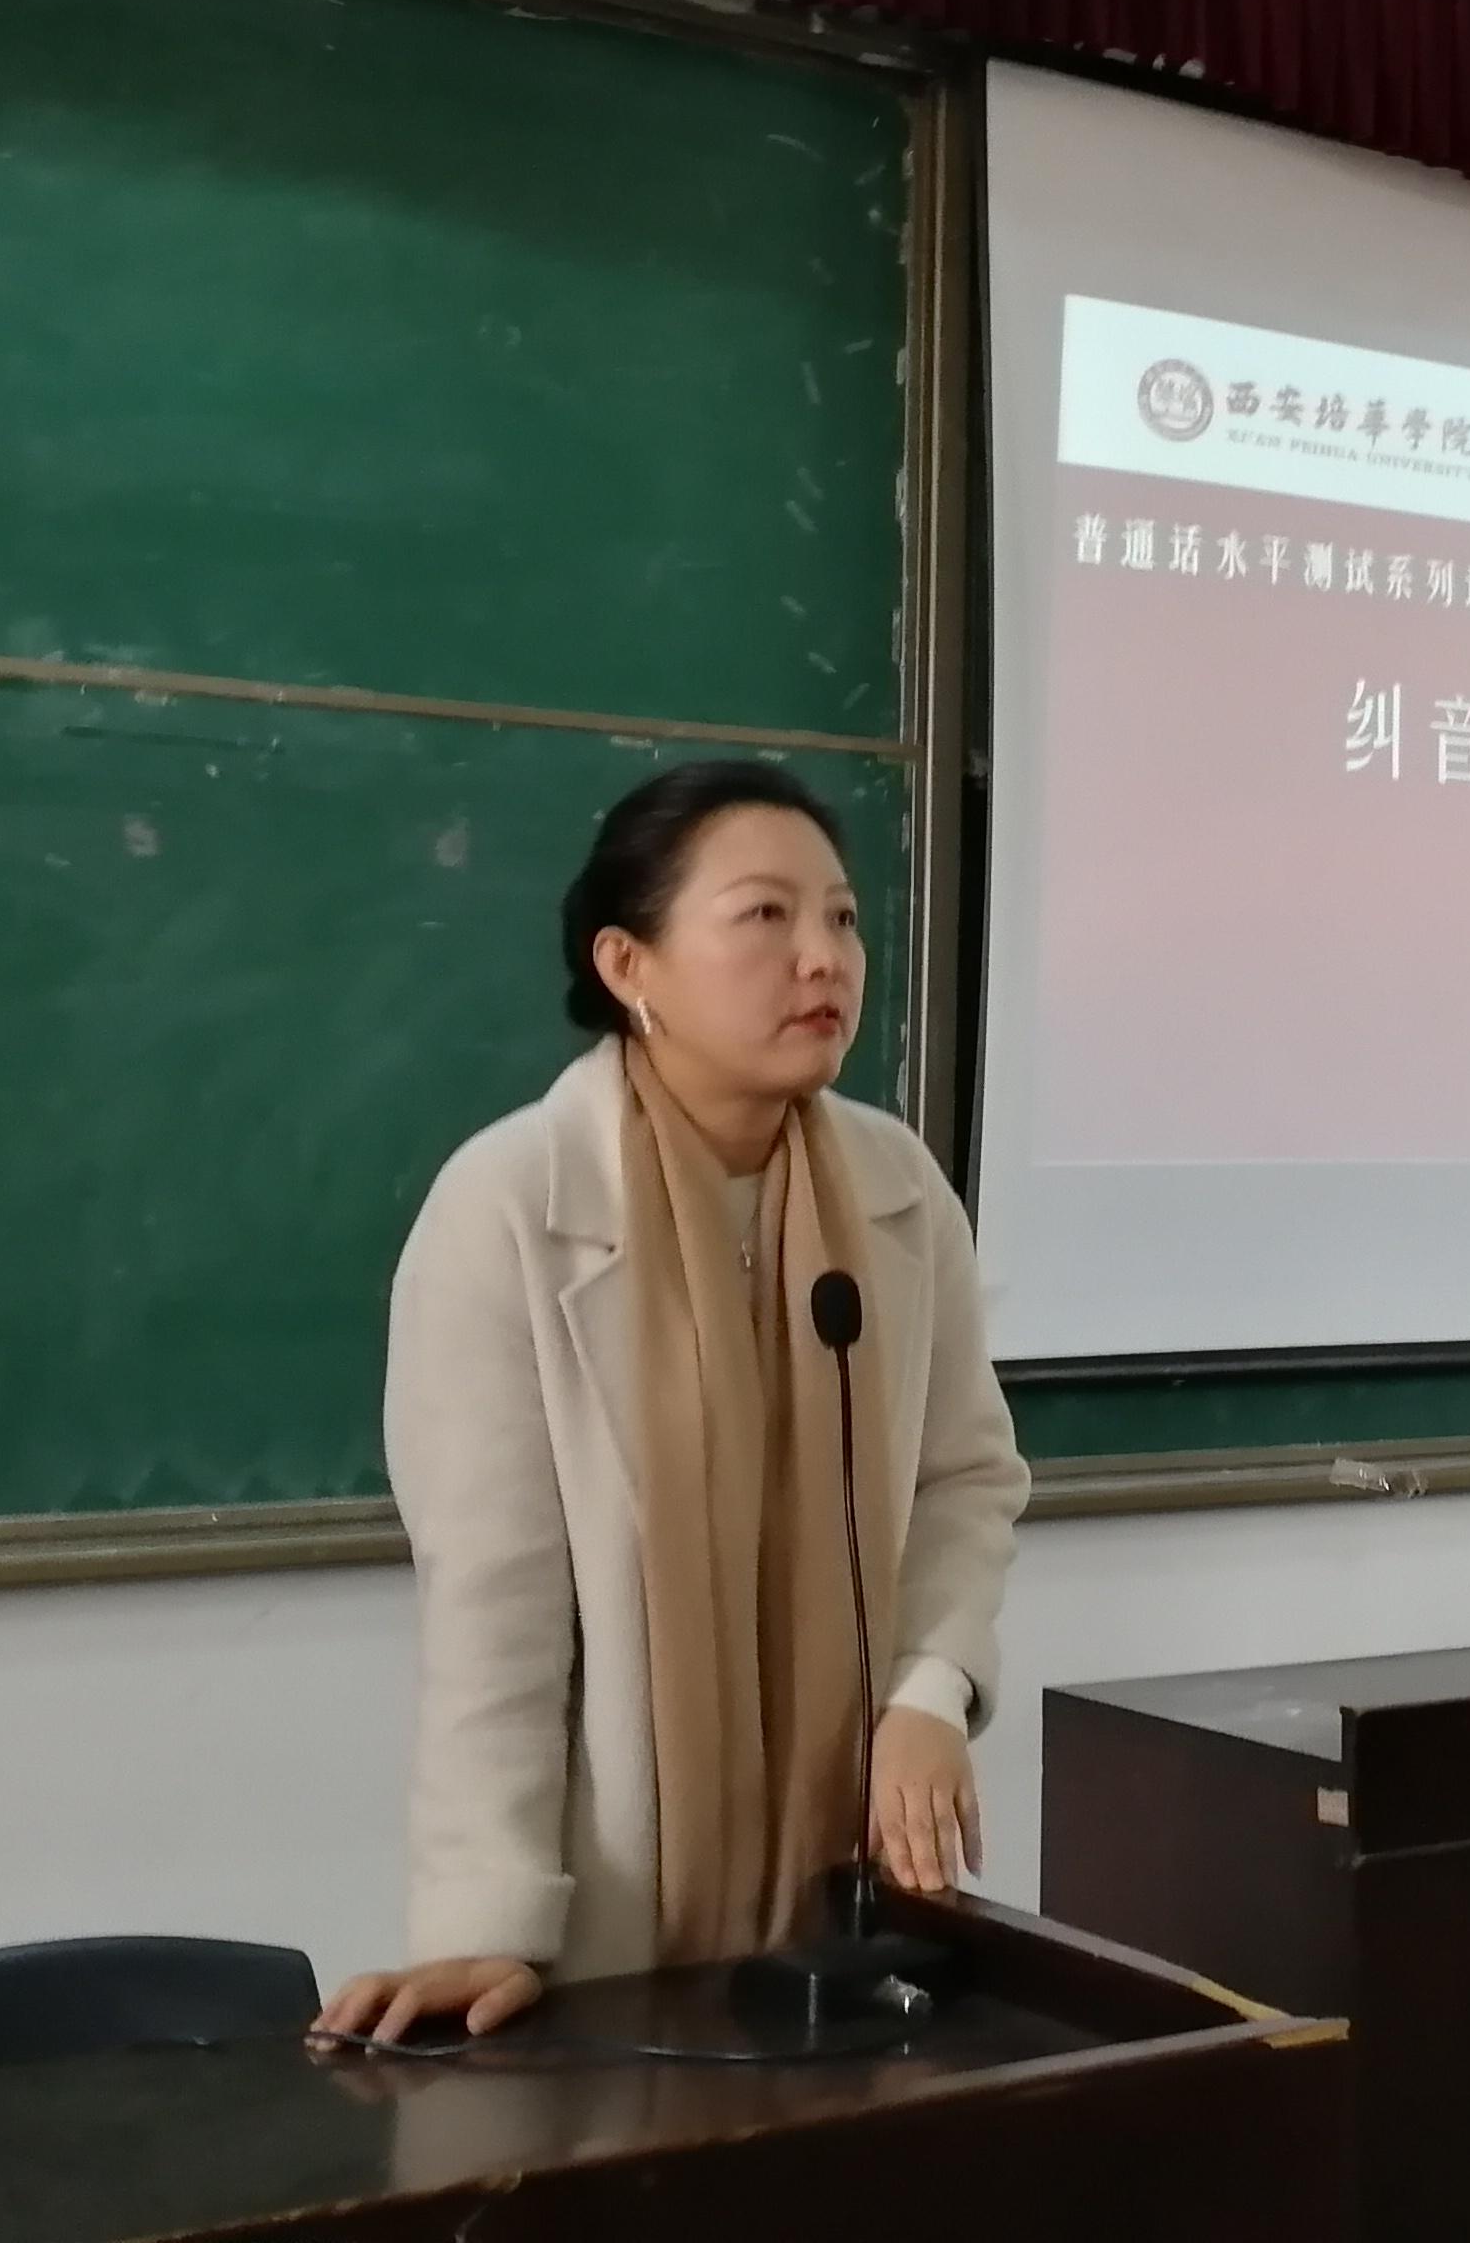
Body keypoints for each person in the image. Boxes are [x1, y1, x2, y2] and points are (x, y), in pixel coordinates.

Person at [315, 760, 1029, 2048]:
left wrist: (929, 1691)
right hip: (613, 1922)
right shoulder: (511, 1207)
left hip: (850, 1897)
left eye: (842, 917)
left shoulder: (899, 1191)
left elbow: (963, 1480)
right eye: (765, 916)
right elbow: (493, 1601)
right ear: (627, 963)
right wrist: (483, 1916)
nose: (822, 957)